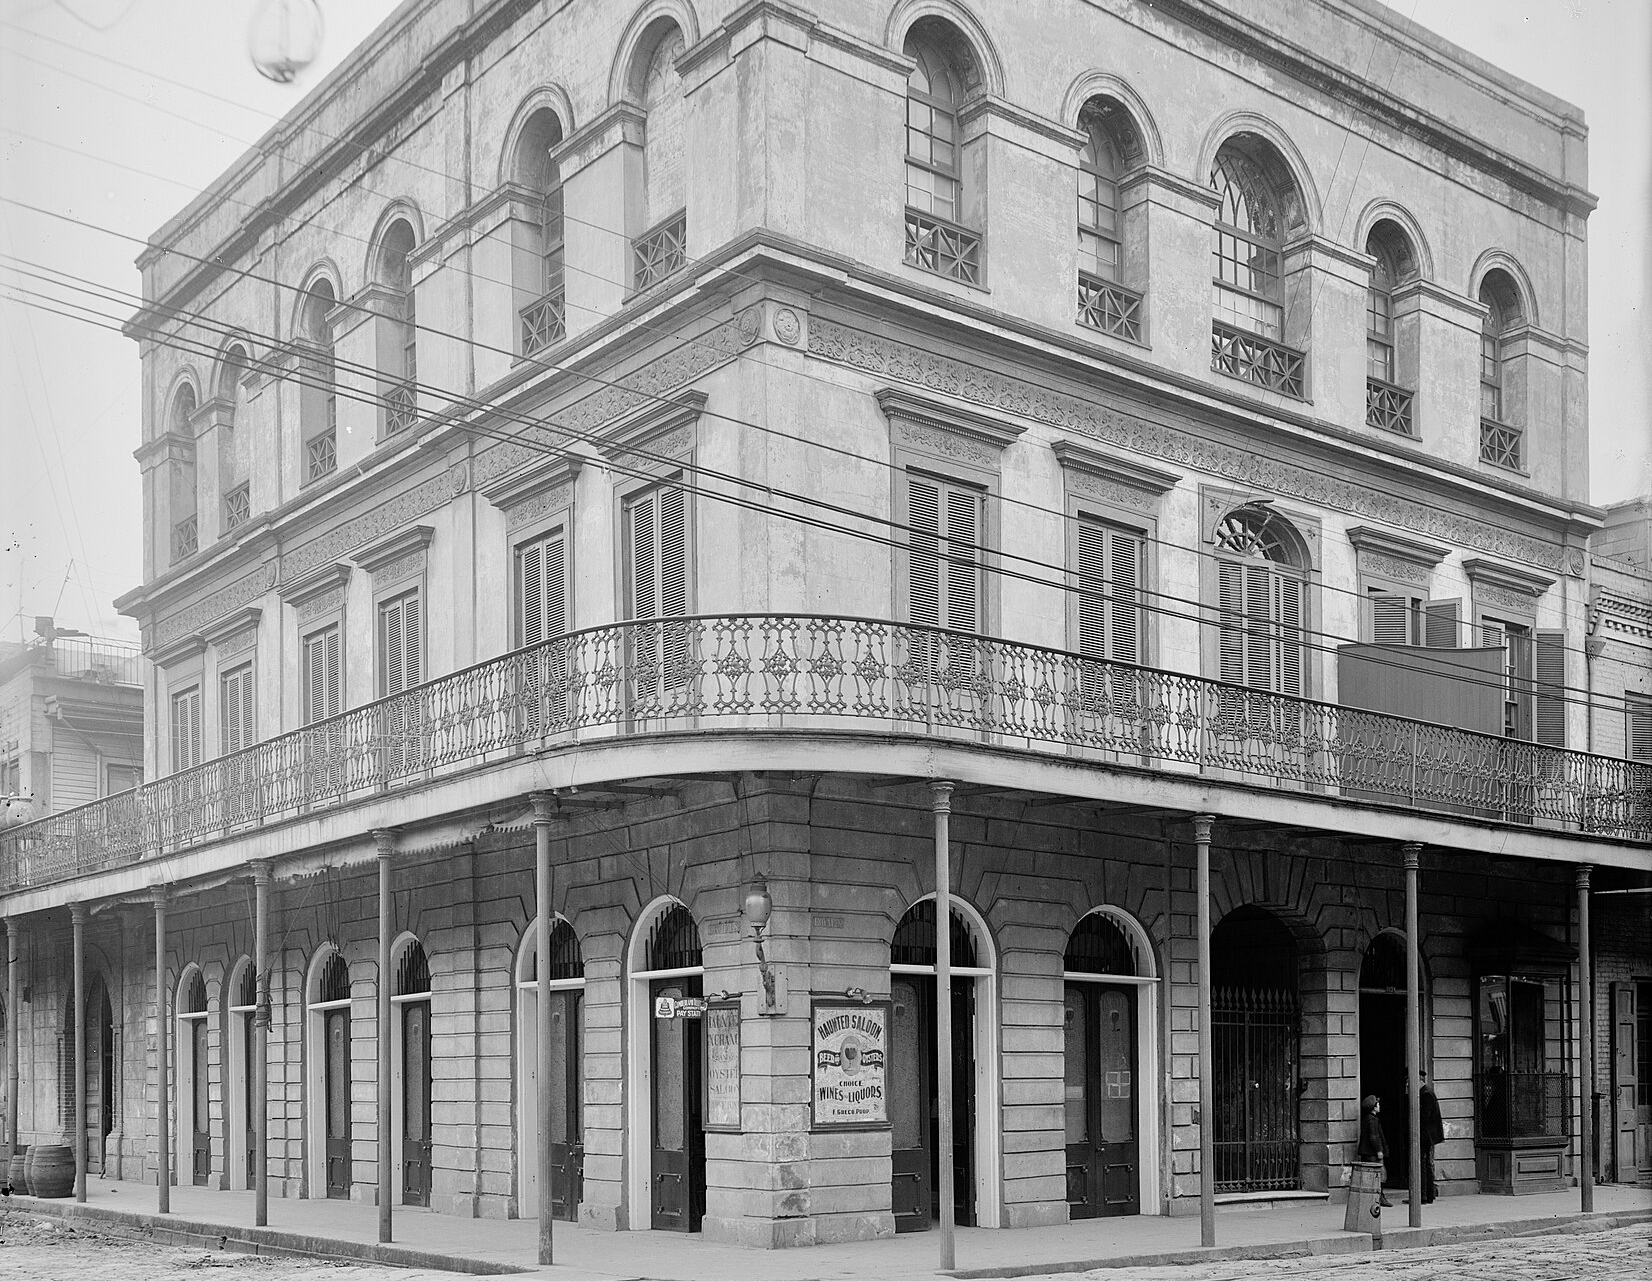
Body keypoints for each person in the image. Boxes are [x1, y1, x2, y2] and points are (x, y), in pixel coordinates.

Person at [1356, 1094, 1393, 1207]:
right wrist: (1379, 1150)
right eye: (1377, 1104)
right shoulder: (1372, 1120)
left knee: (1375, 1176)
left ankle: (1378, 1197)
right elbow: (1374, 1136)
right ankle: (1380, 1198)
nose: (1379, 1106)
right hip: (1372, 1153)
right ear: (1373, 1107)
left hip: (1368, 1152)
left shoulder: (1368, 1119)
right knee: (1380, 1176)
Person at [1419, 1071, 1445, 1204]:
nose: (1407, 1085)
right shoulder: (1426, 1092)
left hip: (1426, 1135)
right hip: (1427, 1135)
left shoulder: (1426, 1094)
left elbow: (1424, 1117)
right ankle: (1428, 1195)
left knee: (1423, 1164)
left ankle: (1424, 1195)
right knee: (1426, 1164)